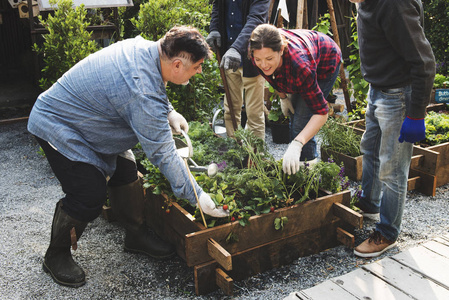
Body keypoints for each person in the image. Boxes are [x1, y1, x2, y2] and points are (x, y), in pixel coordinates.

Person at [27, 26, 228, 288]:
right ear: (177, 64)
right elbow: (163, 153)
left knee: (127, 171)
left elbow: (152, 83)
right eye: (198, 66)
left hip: (94, 119)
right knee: (88, 194)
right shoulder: (141, 91)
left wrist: (168, 111)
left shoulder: (147, 49)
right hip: (60, 123)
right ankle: (56, 254)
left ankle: (135, 235)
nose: (200, 70)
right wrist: (198, 196)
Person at [348, 0, 436, 258]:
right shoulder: (365, 2)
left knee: (392, 168)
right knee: (370, 150)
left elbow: (424, 62)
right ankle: (369, 203)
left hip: (397, 95)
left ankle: (387, 233)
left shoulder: (394, 4)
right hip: (377, 88)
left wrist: (416, 114)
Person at [248, 23, 342, 174]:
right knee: (295, 117)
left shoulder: (300, 66)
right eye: (258, 59)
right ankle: (298, 165)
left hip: (326, 59)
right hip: (306, 57)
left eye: (269, 58)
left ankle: (308, 171)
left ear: (281, 50)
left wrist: (297, 143)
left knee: (300, 123)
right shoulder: (258, 53)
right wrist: (283, 97)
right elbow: (272, 77)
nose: (263, 64)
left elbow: (322, 112)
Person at [206, 0, 270, 140]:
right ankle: (234, 150)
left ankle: (255, 156)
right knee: (230, 110)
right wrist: (214, 28)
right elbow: (217, 6)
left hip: (252, 58)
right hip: (228, 57)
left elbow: (255, 21)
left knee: (254, 113)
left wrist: (237, 48)